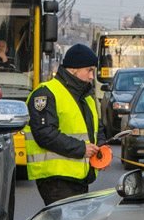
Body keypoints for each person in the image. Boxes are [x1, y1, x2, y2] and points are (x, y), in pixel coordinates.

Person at [24, 43, 102, 205]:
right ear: (73, 69)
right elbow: (45, 134)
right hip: (56, 178)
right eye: (89, 70)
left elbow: (95, 129)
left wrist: (100, 152)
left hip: (79, 176)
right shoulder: (46, 93)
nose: (91, 77)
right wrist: (81, 149)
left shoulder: (85, 96)